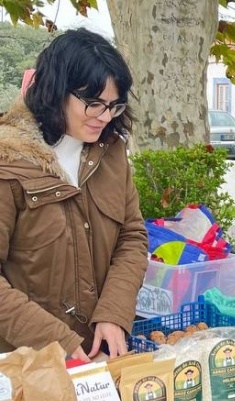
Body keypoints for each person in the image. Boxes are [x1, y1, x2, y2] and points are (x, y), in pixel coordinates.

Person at [0, 28, 148, 361]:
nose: (105, 117)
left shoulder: (111, 153)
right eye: (93, 103)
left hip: (101, 352)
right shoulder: (8, 161)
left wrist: (114, 311)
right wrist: (59, 343)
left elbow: (132, 237)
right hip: (29, 362)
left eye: (114, 105)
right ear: (55, 91)